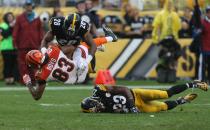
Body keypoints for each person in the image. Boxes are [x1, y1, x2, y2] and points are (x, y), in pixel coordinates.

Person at [22, 28, 118, 100]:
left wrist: (28, 83)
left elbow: (36, 96)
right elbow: (72, 48)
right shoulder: (52, 50)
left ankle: (97, 48)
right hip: (82, 66)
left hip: (78, 79)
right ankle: (110, 38)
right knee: (82, 44)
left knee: (81, 47)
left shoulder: (40, 76)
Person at [81, 80, 208, 113]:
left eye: (96, 107)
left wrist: (130, 106)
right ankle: (181, 101)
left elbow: (124, 89)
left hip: (136, 94)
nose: (99, 109)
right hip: (139, 107)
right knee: (162, 107)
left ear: (94, 101)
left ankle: (194, 84)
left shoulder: (100, 90)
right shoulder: (103, 110)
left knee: (165, 94)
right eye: (96, 110)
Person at [12, 0, 43, 84]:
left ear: (32, 6)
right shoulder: (19, 17)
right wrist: (14, 42)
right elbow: (16, 31)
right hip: (22, 45)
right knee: (23, 65)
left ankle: (34, 80)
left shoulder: (37, 18)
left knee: (35, 64)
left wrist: (41, 43)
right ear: (24, 7)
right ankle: (25, 81)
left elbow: (40, 31)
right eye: (27, 5)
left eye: (29, 5)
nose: (28, 7)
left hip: (34, 45)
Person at [0, 12, 18, 85]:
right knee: (7, 64)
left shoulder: (15, 25)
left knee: (13, 65)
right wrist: (11, 26)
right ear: (5, 18)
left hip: (14, 48)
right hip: (6, 48)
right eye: (8, 17)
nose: (10, 18)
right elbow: (5, 34)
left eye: (11, 16)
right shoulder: (2, 25)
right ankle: (7, 79)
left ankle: (12, 79)